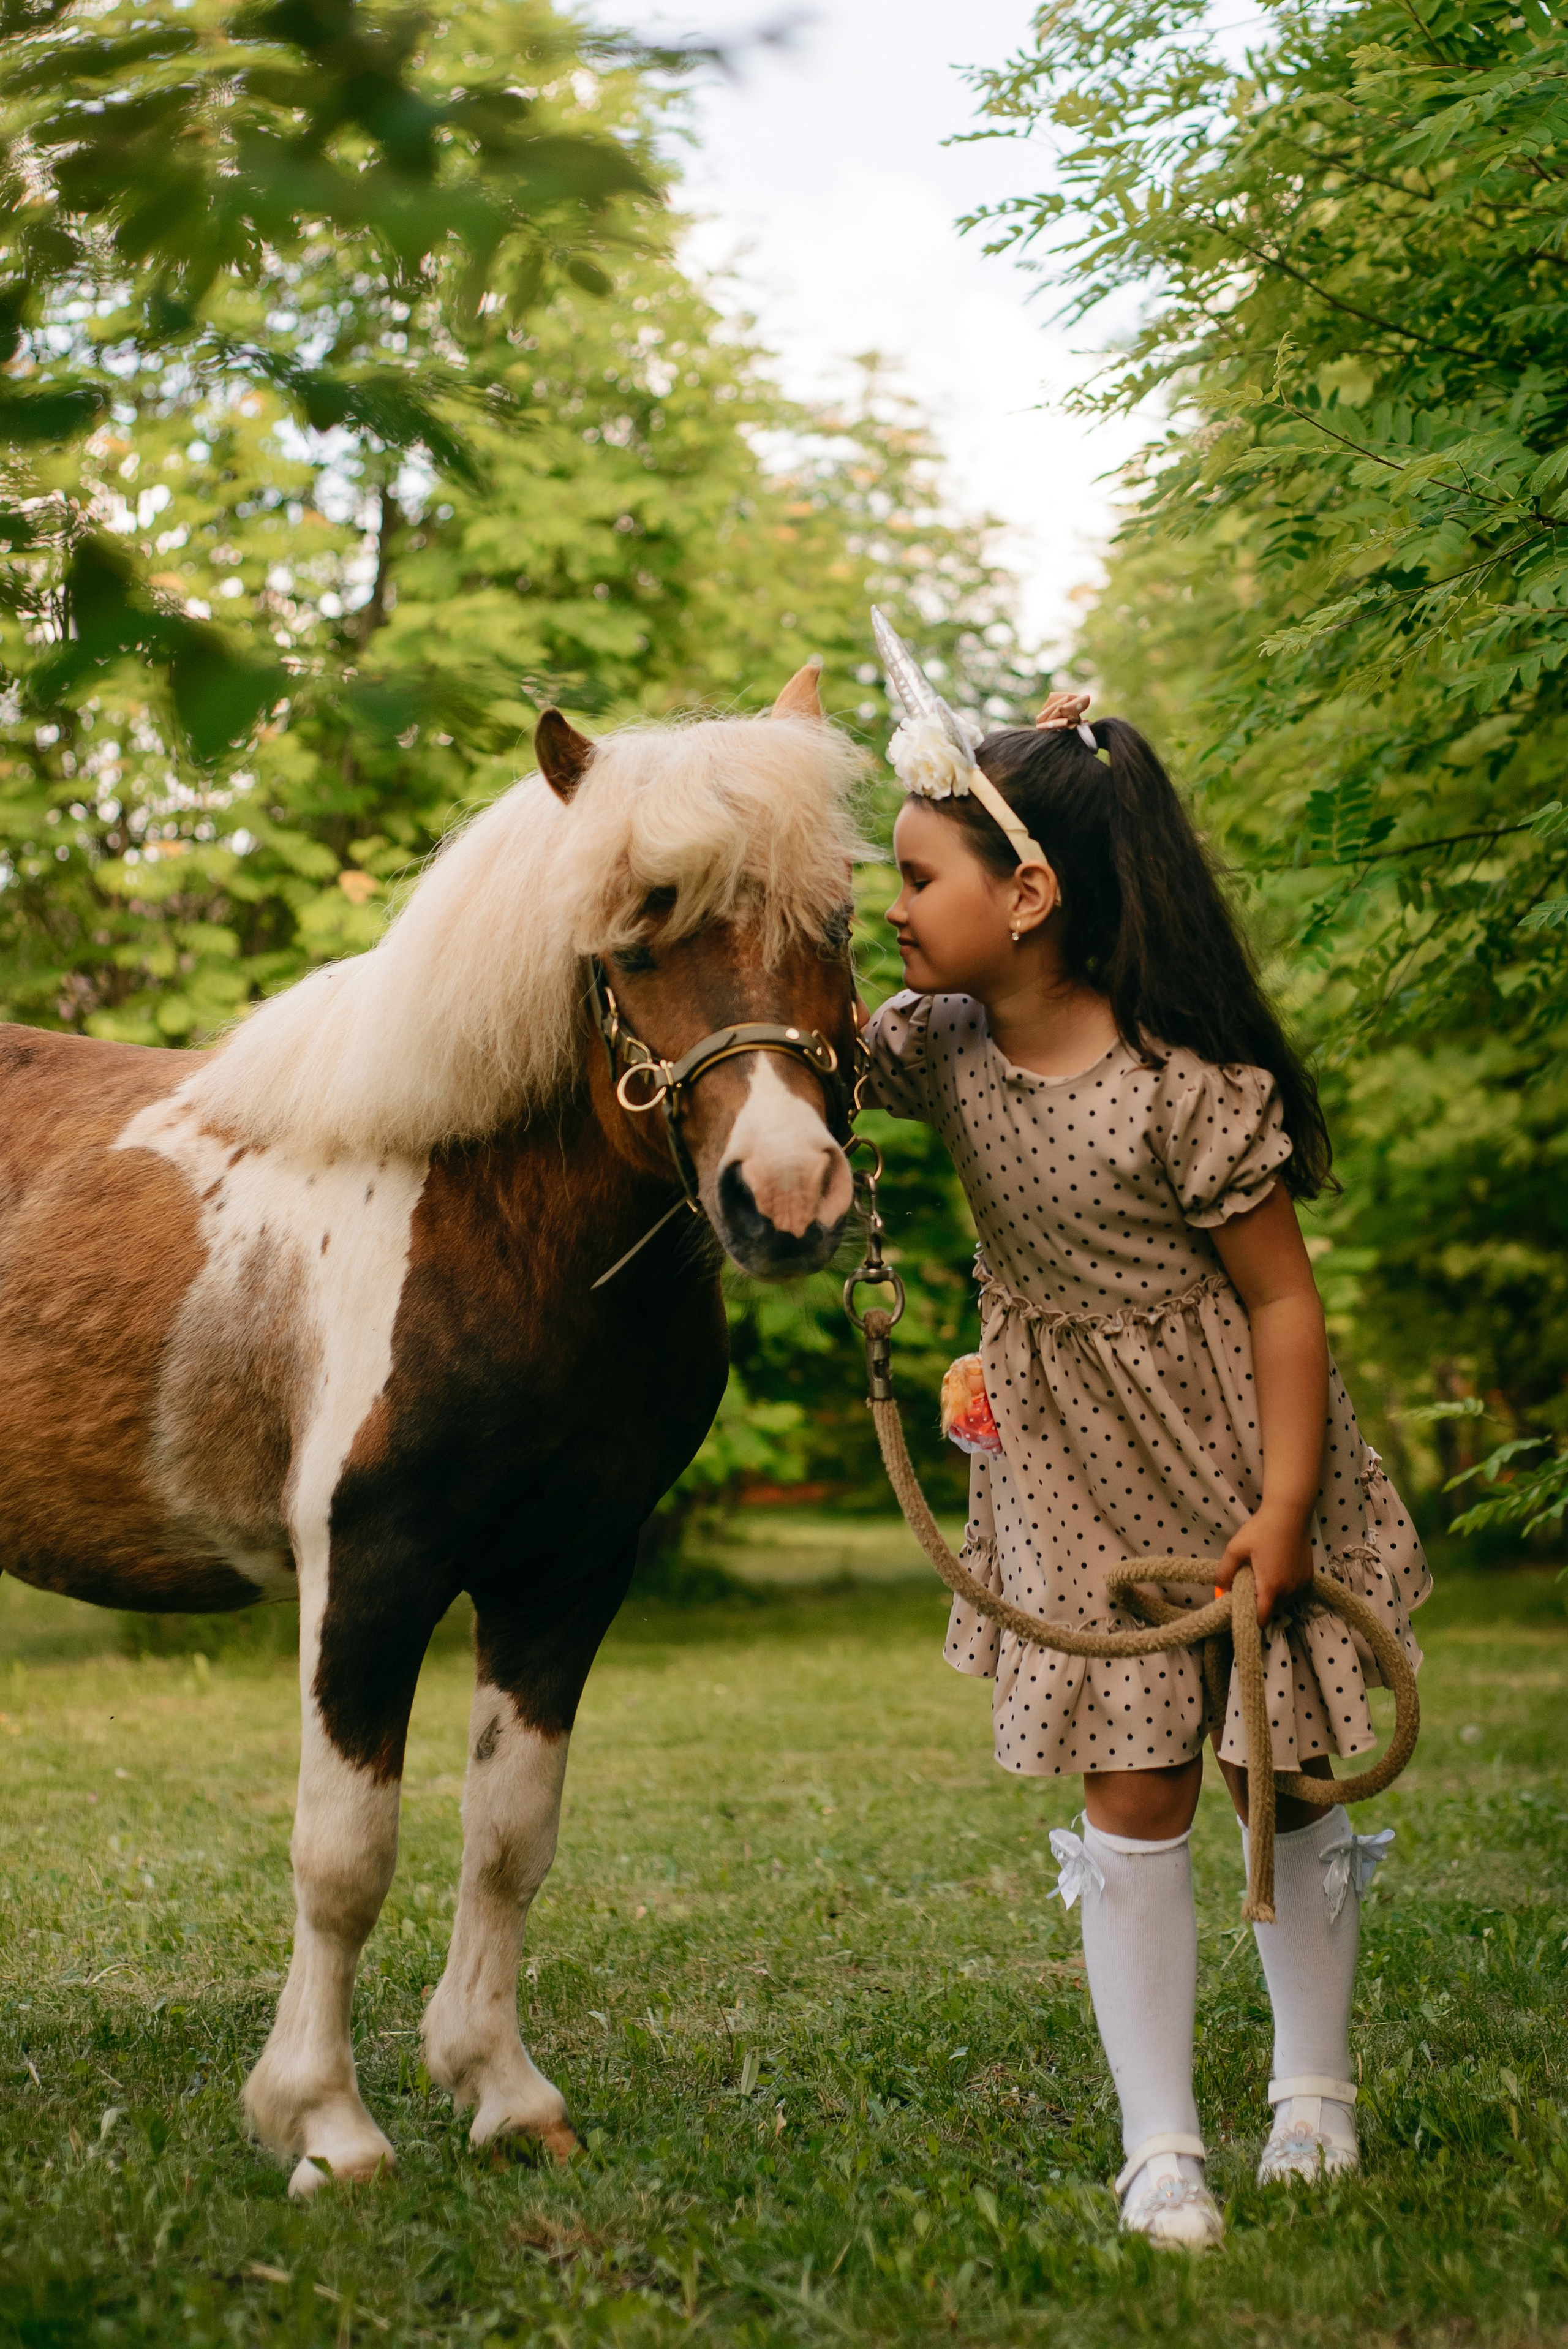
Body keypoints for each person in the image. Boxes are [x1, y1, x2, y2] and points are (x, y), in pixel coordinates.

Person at [857, 624, 1428, 2249]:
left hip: (1229, 1458)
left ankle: (1313, 2088)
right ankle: (1159, 2139)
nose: (888, 907)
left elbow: (1282, 1306)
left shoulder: (1183, 1083)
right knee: (1134, 1790)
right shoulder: (936, 1044)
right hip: (1070, 1480)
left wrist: (1291, 1502)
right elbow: (800, 1041)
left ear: (1027, 894)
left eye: (915, 875)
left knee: (1290, 1772)